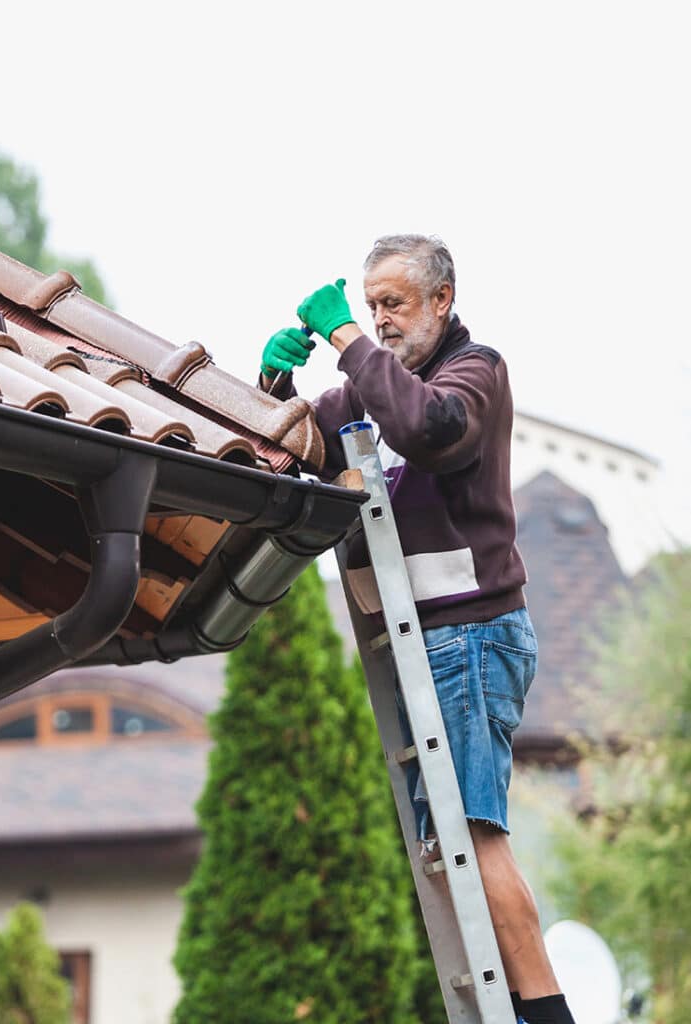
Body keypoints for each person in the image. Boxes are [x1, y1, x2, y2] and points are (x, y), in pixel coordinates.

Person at [259, 235, 576, 1024]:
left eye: (392, 303)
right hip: (415, 639)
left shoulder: (473, 373)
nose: (378, 321)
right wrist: (273, 381)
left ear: (442, 299)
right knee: (446, 853)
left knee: (473, 838)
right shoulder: (374, 385)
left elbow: (428, 430)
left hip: (469, 633)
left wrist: (347, 342)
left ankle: (546, 1017)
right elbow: (296, 441)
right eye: (369, 307)